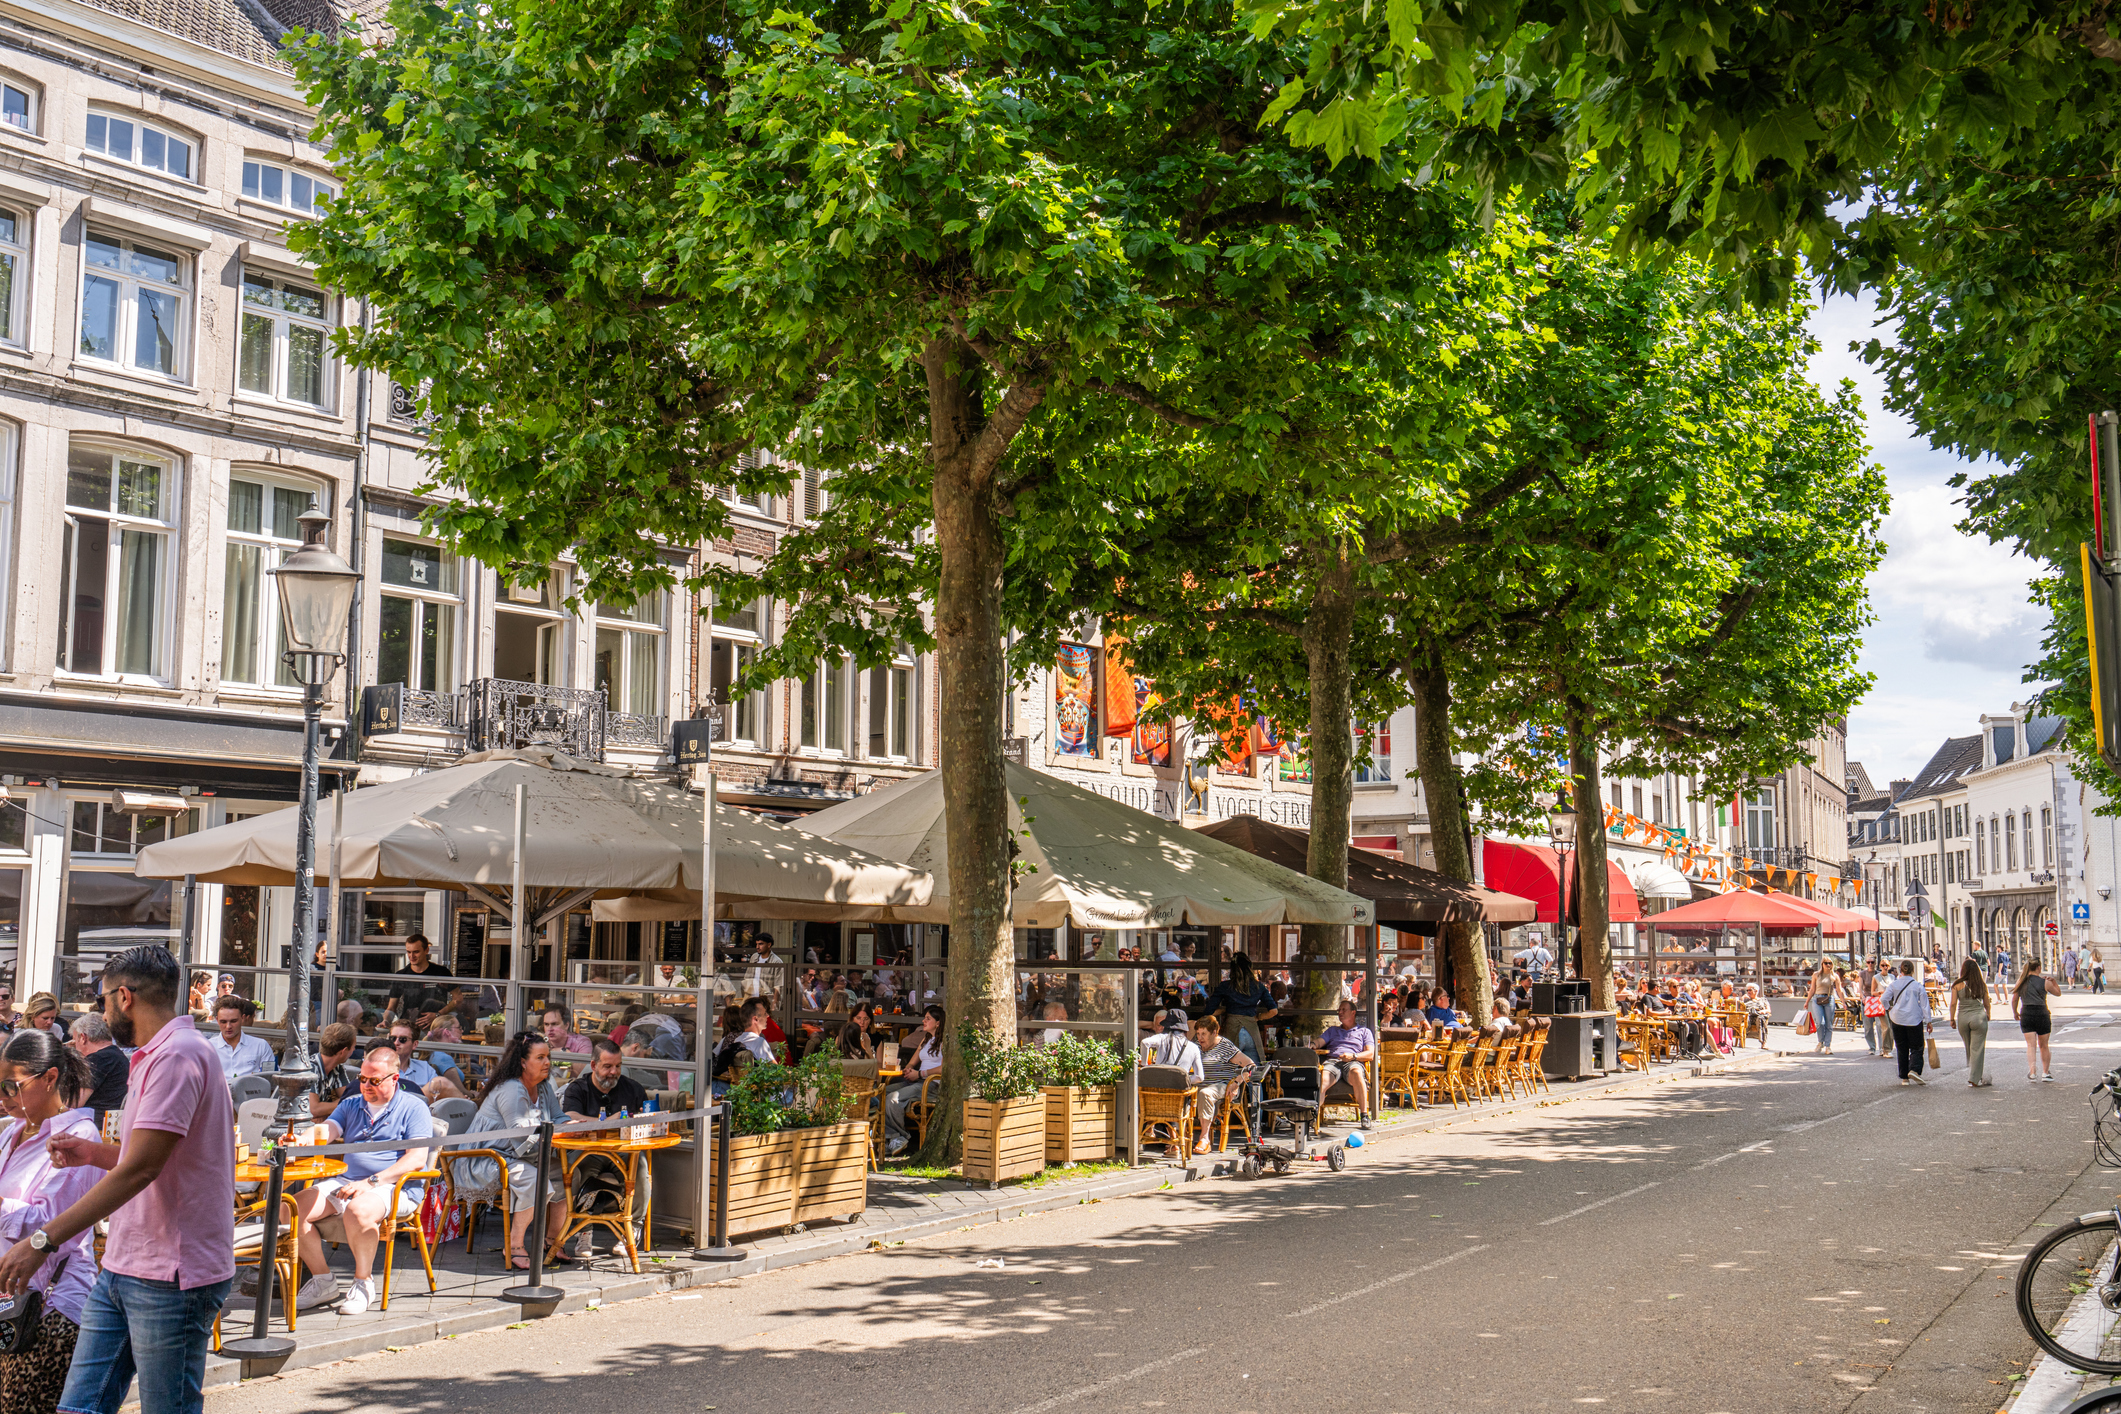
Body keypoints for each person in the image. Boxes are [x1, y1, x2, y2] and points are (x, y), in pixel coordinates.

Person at [0, 945, 232, 1414]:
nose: (100, 1011)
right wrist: (92, 1153)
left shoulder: (177, 1056)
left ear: (124, 996)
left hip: (172, 1272)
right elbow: (150, 1157)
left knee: (167, 1408)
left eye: (102, 999)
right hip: (130, 1263)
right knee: (78, 1407)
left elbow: (143, 1168)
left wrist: (43, 1239)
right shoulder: (157, 1054)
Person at [290, 1043, 434, 1316]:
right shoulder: (352, 1104)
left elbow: (416, 1159)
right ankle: (323, 1281)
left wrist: (371, 1182)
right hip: (348, 1180)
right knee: (291, 1209)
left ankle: (363, 1283)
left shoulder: (414, 1108)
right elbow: (328, 1129)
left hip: (395, 1186)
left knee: (358, 1209)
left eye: (374, 1081)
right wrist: (302, 1140)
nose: (366, 1086)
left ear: (395, 1079)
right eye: (363, 1079)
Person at [0, 1030, 99, 1412]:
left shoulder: (78, 1136)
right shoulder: (11, 1134)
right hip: (13, 1304)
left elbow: (52, 1227)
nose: (5, 1096)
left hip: (48, 1309)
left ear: (50, 1078)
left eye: (13, 1086)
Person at [453, 1032, 568, 1270]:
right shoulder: (512, 1089)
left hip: (517, 1155)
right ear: (523, 1062)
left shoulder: (543, 1086)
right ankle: (514, 1245)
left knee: (565, 1174)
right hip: (485, 1157)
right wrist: (558, 1132)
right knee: (535, 1180)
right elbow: (519, 1135)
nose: (547, 1063)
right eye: (540, 1057)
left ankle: (551, 1241)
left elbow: (557, 1117)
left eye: (548, 1057)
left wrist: (571, 1126)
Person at [883, 1006, 944, 1157]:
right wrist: (909, 1069)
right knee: (880, 1093)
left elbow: (945, 1068)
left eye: (928, 1018)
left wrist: (920, 1073)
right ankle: (892, 1136)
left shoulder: (945, 1041)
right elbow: (912, 1061)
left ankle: (901, 1137)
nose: (923, 1020)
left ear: (938, 1023)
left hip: (930, 1084)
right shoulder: (926, 1039)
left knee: (892, 1099)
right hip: (917, 1081)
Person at [1191, 1015, 1252, 1153]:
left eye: (1204, 1034)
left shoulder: (1225, 1046)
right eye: (1198, 1034)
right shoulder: (1195, 1045)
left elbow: (1250, 1066)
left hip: (1221, 1086)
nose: (1200, 1038)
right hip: (1198, 1084)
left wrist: (1237, 1083)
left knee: (1205, 1093)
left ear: (1214, 1033)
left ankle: (1204, 1139)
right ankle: (1175, 1141)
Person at [1205, 954, 1277, 1065]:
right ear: (1249, 968)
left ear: (1232, 969)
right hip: (1252, 1031)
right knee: (1253, 1074)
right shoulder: (1259, 987)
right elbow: (1273, 1011)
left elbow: (1209, 1012)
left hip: (1232, 1029)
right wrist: (1258, 1017)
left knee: (1230, 1072)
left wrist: (1225, 1010)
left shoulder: (1225, 986)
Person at [1318, 1000, 1376, 1129]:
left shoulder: (1364, 1031)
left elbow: (1370, 1054)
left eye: (1343, 1010)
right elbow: (1319, 1041)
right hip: (1334, 1061)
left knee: (1356, 1072)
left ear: (1353, 1012)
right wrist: (1312, 1044)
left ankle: (1364, 1115)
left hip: (1353, 1061)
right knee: (1323, 1078)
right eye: (1339, 1010)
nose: (1340, 1012)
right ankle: (1313, 1116)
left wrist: (1353, 1056)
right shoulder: (1333, 1030)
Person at [381, 1021, 467, 1102]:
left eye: (402, 1039)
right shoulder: (379, 1066)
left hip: (422, 1114)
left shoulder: (425, 1068)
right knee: (440, 1082)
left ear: (415, 1044)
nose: (396, 1043)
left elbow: (438, 1096)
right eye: (393, 1038)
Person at [70, 1013, 128, 1125]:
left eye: (74, 1041)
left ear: (83, 1038)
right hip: (109, 1125)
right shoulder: (117, 1056)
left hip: (93, 1128)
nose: (74, 1047)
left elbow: (72, 1102)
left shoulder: (98, 1059)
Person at [1881, 959, 1931, 1085]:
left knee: (1901, 1048)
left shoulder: (1894, 985)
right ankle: (1914, 1069)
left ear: (1900, 970)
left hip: (1897, 1018)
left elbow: (1883, 999)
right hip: (1914, 1019)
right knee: (1917, 1046)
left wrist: (1889, 1008)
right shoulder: (1918, 986)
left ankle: (1904, 1077)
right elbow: (1925, 1005)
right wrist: (1928, 1021)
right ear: (1913, 970)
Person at [383, 934, 454, 1021]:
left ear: (426, 950)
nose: (411, 956)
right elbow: (391, 1007)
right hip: (409, 1025)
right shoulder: (401, 975)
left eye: (416, 952)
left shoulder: (441, 972)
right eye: (409, 952)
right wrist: (385, 1021)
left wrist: (438, 1015)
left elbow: (458, 999)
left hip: (436, 1026)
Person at [2015, 957, 2061, 1082]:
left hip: (2027, 1013)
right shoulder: (2045, 982)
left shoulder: (2021, 981)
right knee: (2044, 1045)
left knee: (2030, 1045)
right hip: (2042, 1013)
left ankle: (2033, 1072)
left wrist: (2015, 1012)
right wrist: (2054, 982)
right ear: (2039, 968)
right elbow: (2058, 993)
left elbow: (2015, 999)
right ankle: (2045, 1073)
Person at [207, 998, 275, 1083]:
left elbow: (270, 1080)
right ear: (217, 1020)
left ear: (242, 1018)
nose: (228, 1026)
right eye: (223, 1022)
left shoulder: (260, 1045)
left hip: (252, 1095)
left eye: (233, 1021)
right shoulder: (208, 1047)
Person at [1950, 959, 1993, 1088]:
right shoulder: (1982, 985)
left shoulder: (1957, 985)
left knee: (1970, 1048)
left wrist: (1952, 1019)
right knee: (1977, 1049)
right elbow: (1986, 1003)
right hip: (1978, 1017)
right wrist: (1988, 1013)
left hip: (1963, 1018)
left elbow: (1953, 1003)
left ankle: (1975, 1074)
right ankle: (1974, 1077)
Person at [307, 1022, 363, 1120]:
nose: (354, 1050)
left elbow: (350, 1097)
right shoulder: (310, 1069)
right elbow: (314, 1110)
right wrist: (344, 1103)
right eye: (354, 1046)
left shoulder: (337, 1068)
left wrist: (327, 1109)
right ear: (343, 1051)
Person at [1806, 963, 1846, 1055]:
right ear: (1822, 964)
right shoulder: (1816, 974)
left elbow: (1839, 990)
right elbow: (1812, 989)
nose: (1828, 965)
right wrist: (1807, 1001)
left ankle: (1828, 1046)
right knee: (1820, 1022)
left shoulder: (1834, 976)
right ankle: (1820, 1042)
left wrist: (1843, 1002)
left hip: (1829, 999)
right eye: (1826, 963)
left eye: (1830, 963)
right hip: (1817, 999)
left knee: (1829, 1024)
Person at [1861, 970, 1889, 1059]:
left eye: (1872, 962)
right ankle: (1872, 1047)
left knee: (1880, 1025)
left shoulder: (1878, 974)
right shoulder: (1863, 974)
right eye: (1868, 962)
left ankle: (1882, 1048)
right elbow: (1860, 988)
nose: (1870, 964)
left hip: (1878, 1001)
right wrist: (1862, 997)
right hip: (1868, 1002)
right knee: (1868, 1026)